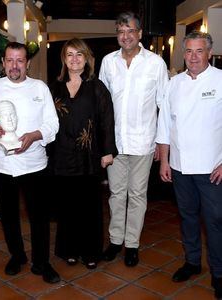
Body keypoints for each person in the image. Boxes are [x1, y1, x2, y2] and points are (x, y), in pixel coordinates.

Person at [0, 42, 60, 284]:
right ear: (3, 62)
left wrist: (33, 136)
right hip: (0, 163)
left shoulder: (39, 88)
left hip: (34, 164)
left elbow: (53, 124)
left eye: (19, 60)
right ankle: (17, 255)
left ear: (27, 63)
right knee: (9, 214)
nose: (14, 65)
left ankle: (42, 262)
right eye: (10, 60)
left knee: (38, 216)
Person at [99, 11, 169, 266]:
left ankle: (132, 244)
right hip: (115, 143)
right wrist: (103, 143)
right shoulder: (108, 62)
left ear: (140, 34)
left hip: (143, 141)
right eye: (121, 31)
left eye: (130, 31)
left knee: (137, 194)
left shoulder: (155, 63)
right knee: (116, 194)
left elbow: (164, 105)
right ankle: (116, 240)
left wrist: (162, 143)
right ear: (117, 35)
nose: (125, 36)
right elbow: (102, 105)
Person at [156, 31, 222, 299]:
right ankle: (192, 262)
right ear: (183, 54)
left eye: (199, 51)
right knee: (188, 217)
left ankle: (219, 273)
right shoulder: (173, 83)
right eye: (189, 52)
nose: (193, 57)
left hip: (212, 168)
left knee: (215, 221)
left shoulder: (220, 80)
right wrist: (164, 160)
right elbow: (164, 125)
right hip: (180, 166)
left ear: (209, 53)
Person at [47, 38, 117, 269]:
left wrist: (107, 152)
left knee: (90, 206)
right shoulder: (54, 87)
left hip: (90, 157)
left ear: (86, 58)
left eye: (79, 54)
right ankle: (69, 249)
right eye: (70, 54)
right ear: (64, 60)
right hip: (62, 154)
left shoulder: (97, 86)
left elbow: (107, 120)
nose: (75, 59)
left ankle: (90, 252)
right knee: (67, 206)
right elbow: (46, 120)